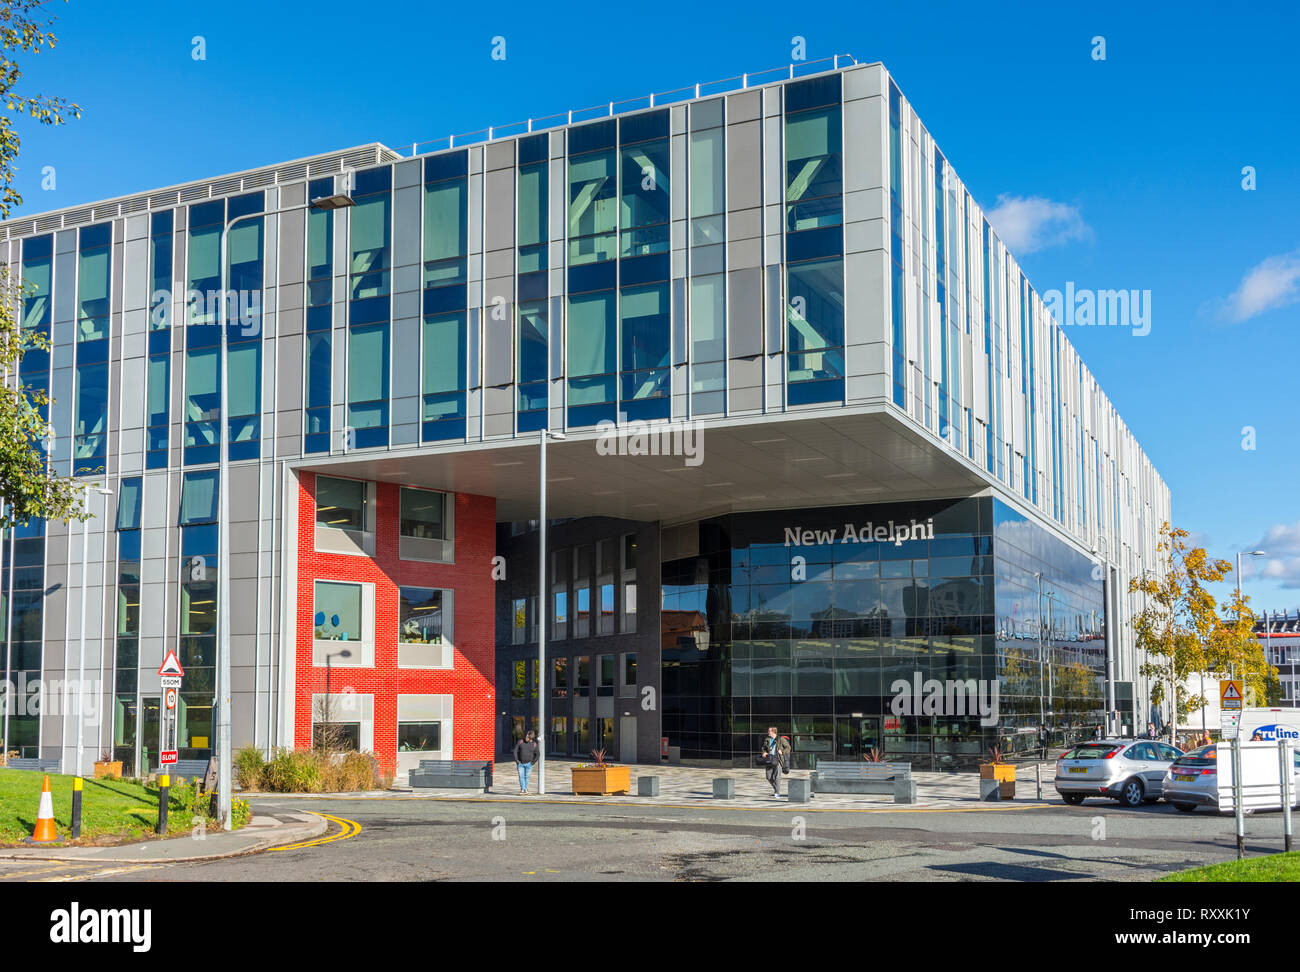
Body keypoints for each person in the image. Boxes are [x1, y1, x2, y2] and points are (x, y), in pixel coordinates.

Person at [759, 727, 792, 799]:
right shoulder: (767, 740)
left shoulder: (781, 739)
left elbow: (788, 748)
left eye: (769, 731)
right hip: (769, 759)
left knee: (777, 777)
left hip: (778, 760)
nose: (768, 732)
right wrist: (764, 752)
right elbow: (764, 748)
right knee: (768, 777)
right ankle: (776, 788)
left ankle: (777, 793)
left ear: (773, 732)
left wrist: (782, 751)